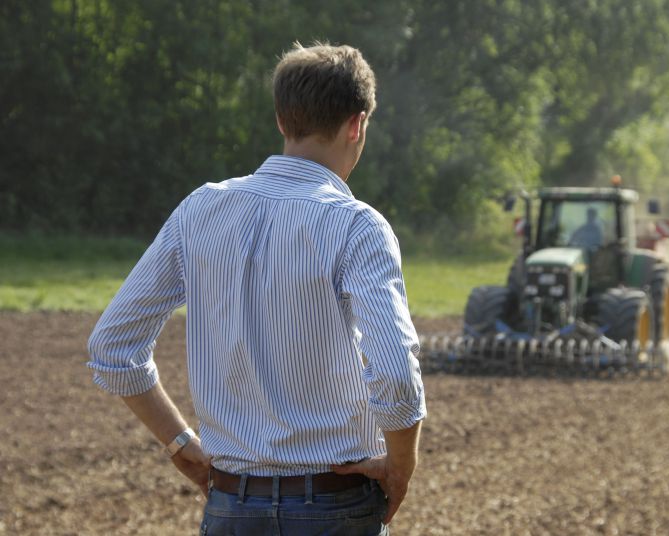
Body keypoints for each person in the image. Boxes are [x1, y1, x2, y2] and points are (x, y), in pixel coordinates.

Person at [87, 42, 426, 535]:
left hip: (230, 506)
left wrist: (182, 447)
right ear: (357, 125)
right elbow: (395, 374)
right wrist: (401, 467)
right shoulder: (357, 226)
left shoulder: (201, 210)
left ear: (281, 119)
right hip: (335, 507)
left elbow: (112, 348)